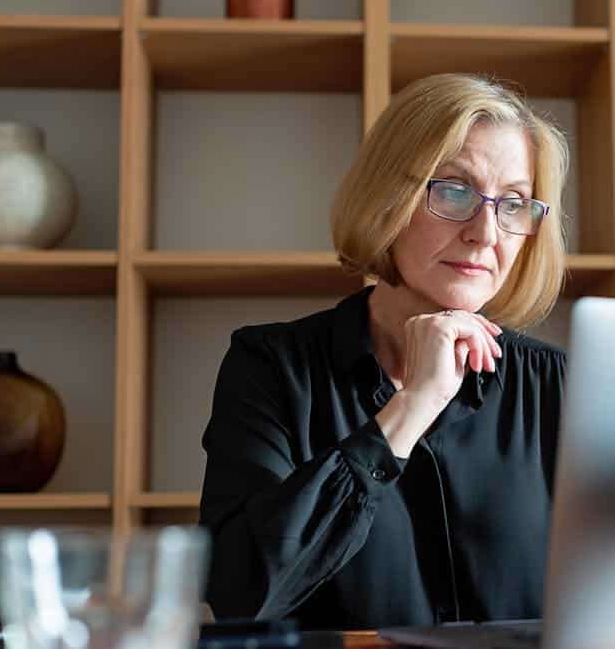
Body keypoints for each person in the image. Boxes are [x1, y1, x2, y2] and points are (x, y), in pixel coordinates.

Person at [198, 73, 570, 630]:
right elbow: (240, 592)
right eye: (454, 190)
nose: (485, 233)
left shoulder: (557, 384)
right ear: (388, 197)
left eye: (512, 203)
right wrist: (409, 409)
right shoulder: (272, 367)